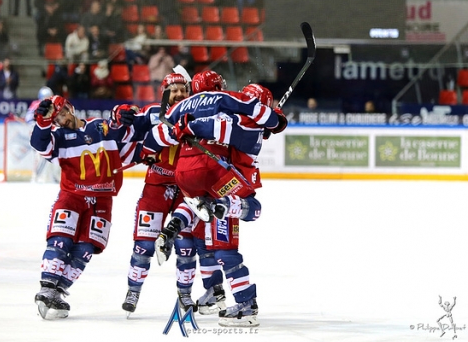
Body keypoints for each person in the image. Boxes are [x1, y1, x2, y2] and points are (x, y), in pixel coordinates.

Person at [146, 72, 287, 326]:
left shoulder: (239, 122)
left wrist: (187, 126)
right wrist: (273, 121)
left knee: (231, 235)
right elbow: (242, 123)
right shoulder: (245, 119)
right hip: (223, 182)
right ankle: (242, 300)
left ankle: (246, 305)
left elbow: (223, 127)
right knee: (221, 247)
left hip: (232, 182)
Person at [30, 95, 138, 319]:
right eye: (56, 118)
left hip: (102, 198)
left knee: (87, 249)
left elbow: (120, 129)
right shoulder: (58, 137)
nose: (62, 120)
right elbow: (39, 144)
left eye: (63, 113)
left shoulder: (98, 126)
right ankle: (47, 287)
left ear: (70, 108)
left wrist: (121, 115)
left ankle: (58, 292)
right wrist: (42, 123)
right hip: (72, 195)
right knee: (60, 240)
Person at [121, 72, 195, 315]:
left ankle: (185, 294)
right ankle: (134, 290)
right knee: (143, 245)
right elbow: (125, 131)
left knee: (186, 246)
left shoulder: (197, 113)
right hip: (156, 186)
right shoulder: (152, 113)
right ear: (164, 93)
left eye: (182, 90)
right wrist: (120, 113)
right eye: (173, 90)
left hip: (187, 189)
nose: (179, 94)